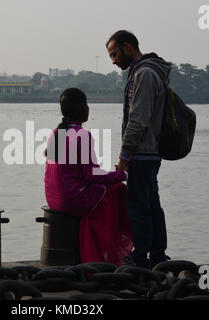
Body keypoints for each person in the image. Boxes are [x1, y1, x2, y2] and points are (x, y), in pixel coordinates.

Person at [44, 88, 133, 266]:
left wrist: (114, 175)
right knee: (118, 190)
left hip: (54, 199)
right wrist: (122, 174)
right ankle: (108, 252)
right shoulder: (82, 135)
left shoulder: (56, 133)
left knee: (108, 188)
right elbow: (92, 175)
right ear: (84, 108)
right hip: (72, 199)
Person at [106, 30, 172, 269]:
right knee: (152, 204)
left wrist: (124, 155)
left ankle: (141, 257)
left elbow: (138, 119)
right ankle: (157, 255)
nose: (114, 60)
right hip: (151, 151)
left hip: (143, 153)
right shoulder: (151, 72)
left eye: (115, 54)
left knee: (138, 206)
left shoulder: (144, 74)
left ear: (128, 47)